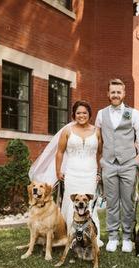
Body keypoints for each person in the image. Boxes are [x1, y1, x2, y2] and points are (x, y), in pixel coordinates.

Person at [95, 79, 139, 253]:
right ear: (108, 94)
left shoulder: (133, 113)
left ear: (124, 94)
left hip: (128, 164)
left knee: (128, 203)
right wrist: (99, 162)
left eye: (119, 92)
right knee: (111, 203)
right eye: (113, 92)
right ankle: (112, 236)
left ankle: (126, 237)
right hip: (109, 164)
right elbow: (97, 140)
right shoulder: (100, 114)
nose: (116, 95)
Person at [56, 100, 103, 247]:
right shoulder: (67, 131)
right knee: (72, 203)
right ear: (73, 115)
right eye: (78, 113)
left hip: (90, 173)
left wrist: (99, 172)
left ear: (89, 114)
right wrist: (58, 171)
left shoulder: (97, 131)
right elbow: (59, 152)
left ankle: (91, 237)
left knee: (88, 204)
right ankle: (71, 238)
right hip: (72, 173)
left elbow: (100, 153)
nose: (81, 115)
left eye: (84, 112)